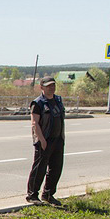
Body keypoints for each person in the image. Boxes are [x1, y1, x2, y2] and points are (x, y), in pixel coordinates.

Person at [26, 76, 65, 206]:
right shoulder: (38, 103)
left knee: (56, 168)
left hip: (57, 140)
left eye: (53, 85)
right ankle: (32, 195)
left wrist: (62, 136)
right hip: (44, 140)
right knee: (39, 169)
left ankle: (48, 194)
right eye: (48, 86)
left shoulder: (58, 100)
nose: (51, 88)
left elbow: (61, 119)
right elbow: (34, 123)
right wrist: (42, 140)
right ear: (41, 87)